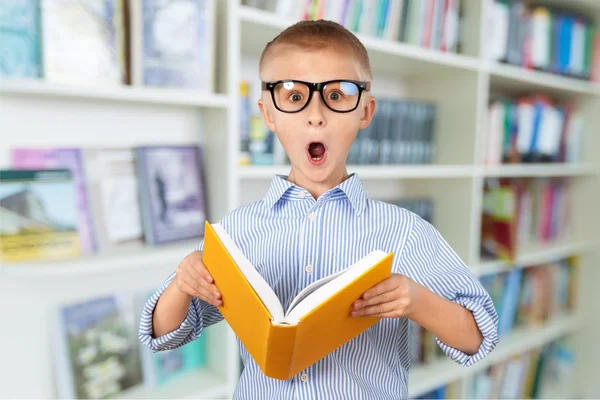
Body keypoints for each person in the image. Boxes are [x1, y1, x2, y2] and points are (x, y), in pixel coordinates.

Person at [139, 19, 499, 400]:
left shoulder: (404, 231)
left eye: (338, 94)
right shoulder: (237, 230)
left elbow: (479, 337)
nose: (315, 114)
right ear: (268, 115)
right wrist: (184, 280)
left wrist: (418, 301)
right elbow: (162, 334)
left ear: (365, 111)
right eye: (294, 96)